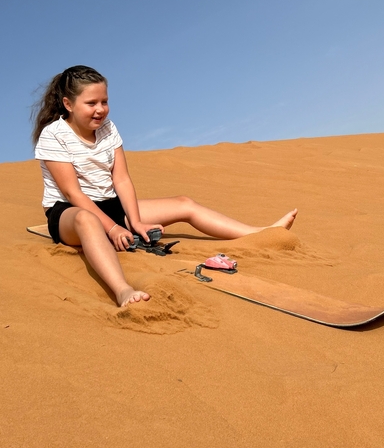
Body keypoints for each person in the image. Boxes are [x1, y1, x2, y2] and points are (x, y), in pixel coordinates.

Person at [32, 65, 297, 307]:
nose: (100, 109)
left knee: (184, 204)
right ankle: (122, 290)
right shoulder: (54, 135)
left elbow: (121, 179)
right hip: (70, 212)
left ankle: (260, 233)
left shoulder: (108, 128)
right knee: (88, 222)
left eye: (105, 101)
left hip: (111, 206)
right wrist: (112, 228)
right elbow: (72, 192)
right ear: (68, 104)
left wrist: (134, 222)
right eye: (91, 103)